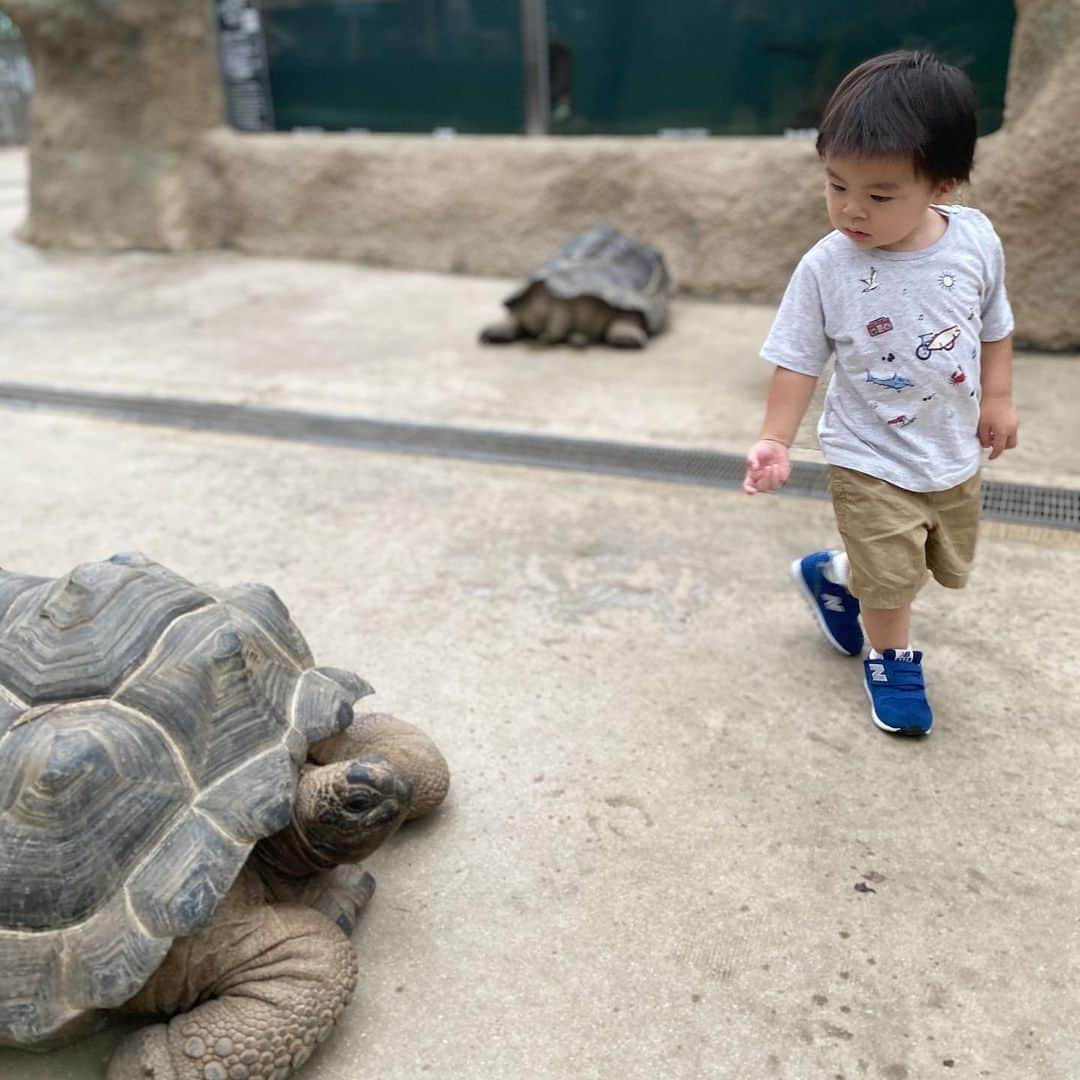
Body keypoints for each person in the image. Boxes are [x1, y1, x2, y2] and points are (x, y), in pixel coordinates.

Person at [743, 50, 1018, 736]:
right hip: (868, 452)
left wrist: (999, 399)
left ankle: (834, 575)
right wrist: (775, 438)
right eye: (836, 186)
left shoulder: (976, 240)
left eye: (879, 195)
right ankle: (891, 657)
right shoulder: (827, 266)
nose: (851, 210)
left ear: (944, 184)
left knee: (923, 560)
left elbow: (995, 325)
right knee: (893, 578)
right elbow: (797, 358)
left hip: (950, 448)